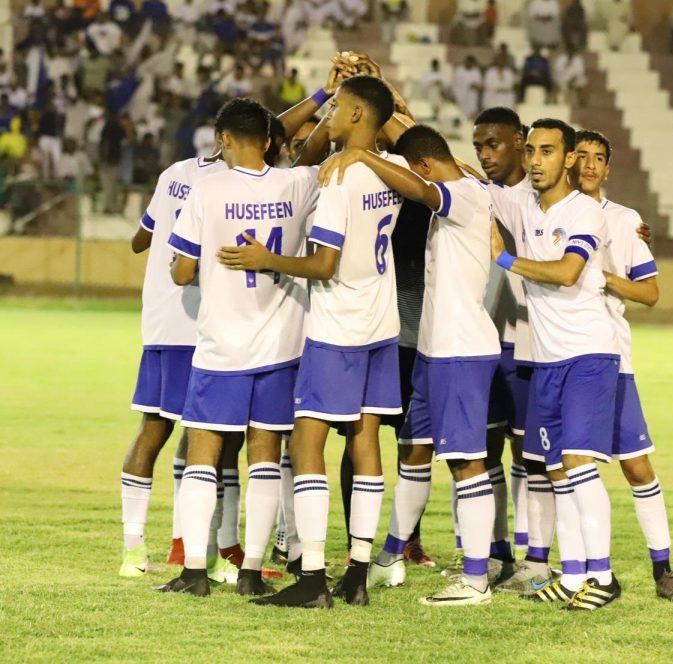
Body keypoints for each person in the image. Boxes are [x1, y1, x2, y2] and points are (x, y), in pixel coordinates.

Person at [239, 75, 406, 609]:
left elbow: (324, 264)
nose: (327, 119)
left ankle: (311, 576)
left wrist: (267, 259)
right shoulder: (392, 168)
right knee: (366, 441)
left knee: (305, 444)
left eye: (335, 109)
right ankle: (357, 573)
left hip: (338, 330)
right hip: (381, 327)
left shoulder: (338, 179)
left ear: (356, 114)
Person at [157, 98, 320, 597]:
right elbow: (317, 150)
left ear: (223, 139)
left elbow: (182, 271)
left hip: (222, 345)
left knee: (204, 451)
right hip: (281, 345)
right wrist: (326, 97)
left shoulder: (208, 189)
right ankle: (251, 571)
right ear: (269, 141)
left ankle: (195, 571)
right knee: (265, 454)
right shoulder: (298, 183)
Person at [350, 124, 498, 607]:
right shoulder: (462, 182)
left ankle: (475, 580)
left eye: (418, 172)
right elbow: (419, 148)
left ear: (425, 167)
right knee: (414, 451)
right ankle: (390, 557)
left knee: (465, 462)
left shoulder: (466, 195)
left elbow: (420, 188)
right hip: (435, 351)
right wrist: (389, 113)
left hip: (462, 350)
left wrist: (363, 155)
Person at [491, 118, 621, 611]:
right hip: (547, 361)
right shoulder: (524, 203)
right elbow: (459, 174)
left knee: (578, 465)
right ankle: (573, 576)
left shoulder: (584, 211)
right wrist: (398, 114)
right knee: (557, 473)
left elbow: (568, 272)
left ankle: (602, 577)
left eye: (547, 151)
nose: (535, 160)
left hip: (587, 354)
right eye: (531, 151)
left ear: (569, 158)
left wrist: (505, 259)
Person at [572, 130, 673, 603]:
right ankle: (561, 569)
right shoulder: (543, 212)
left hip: (612, 358)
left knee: (637, 467)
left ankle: (663, 570)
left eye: (598, 158)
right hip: (557, 356)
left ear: (607, 169)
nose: (589, 164)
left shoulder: (625, 221)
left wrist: (604, 276)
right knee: (554, 469)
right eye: (582, 155)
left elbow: (649, 292)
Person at [118, 147, 228, 581]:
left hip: (160, 323)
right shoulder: (233, 181)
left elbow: (139, 241)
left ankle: (133, 549)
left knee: (154, 428)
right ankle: (200, 549)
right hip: (200, 323)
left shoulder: (174, 173)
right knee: (209, 438)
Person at [471, 107, 541, 592]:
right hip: (484, 339)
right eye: (478, 146)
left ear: (519, 141)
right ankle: (498, 554)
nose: (484, 154)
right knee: (486, 449)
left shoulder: (542, 198)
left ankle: (534, 556)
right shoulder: (478, 193)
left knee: (530, 452)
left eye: (492, 144)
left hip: (530, 341)